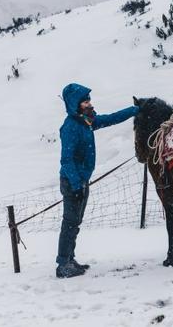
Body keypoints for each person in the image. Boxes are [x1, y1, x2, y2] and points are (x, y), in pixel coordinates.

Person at [56, 83, 139, 278]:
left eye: (89, 100)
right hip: (71, 182)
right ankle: (62, 264)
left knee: (76, 222)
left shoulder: (87, 122)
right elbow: (66, 160)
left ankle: (70, 258)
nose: (89, 104)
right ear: (75, 104)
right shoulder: (70, 127)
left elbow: (111, 119)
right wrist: (76, 185)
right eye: (85, 101)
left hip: (82, 181)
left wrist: (135, 110)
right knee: (69, 223)